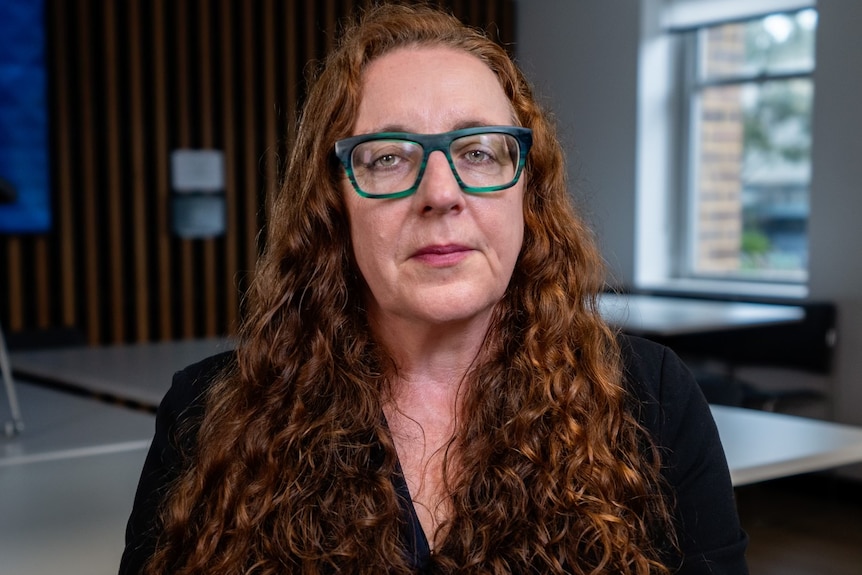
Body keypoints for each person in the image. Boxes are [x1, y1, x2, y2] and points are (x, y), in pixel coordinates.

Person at [120, 3, 749, 574]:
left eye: (478, 151)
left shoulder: (651, 401)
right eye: (388, 157)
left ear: (527, 189)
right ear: (334, 202)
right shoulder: (210, 417)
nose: (442, 193)